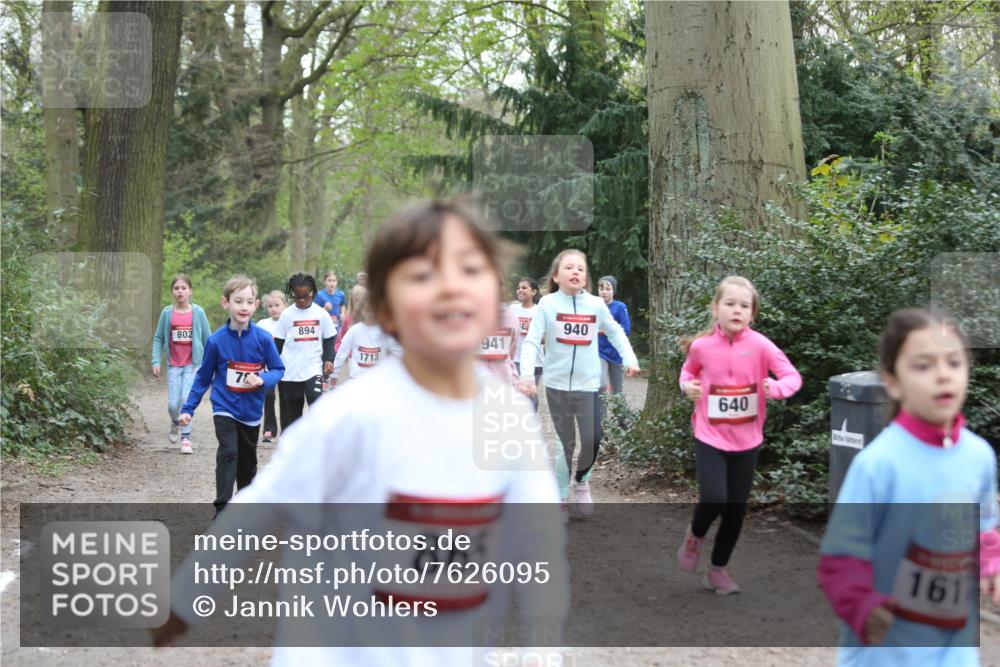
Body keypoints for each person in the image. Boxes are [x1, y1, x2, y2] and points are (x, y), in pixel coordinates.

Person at [155, 198, 568, 666]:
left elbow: (539, 543)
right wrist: (184, 600)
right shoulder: (347, 416)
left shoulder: (508, 417)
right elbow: (256, 507)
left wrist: (542, 645)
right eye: (423, 276)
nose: (450, 287)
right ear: (386, 312)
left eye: (470, 270)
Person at [818, 308, 1000, 666]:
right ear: (893, 382)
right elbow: (840, 558)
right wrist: (864, 608)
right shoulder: (878, 465)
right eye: (923, 365)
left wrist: (992, 564)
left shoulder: (979, 456)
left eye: (954, 362)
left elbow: (983, 527)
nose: (943, 375)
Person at [675, 275, 802, 594]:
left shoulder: (761, 346)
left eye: (744, 306)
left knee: (735, 508)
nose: (737, 310)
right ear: (716, 308)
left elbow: (792, 377)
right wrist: (687, 386)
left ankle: (717, 570)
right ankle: (694, 536)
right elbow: (688, 372)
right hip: (709, 436)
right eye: (730, 304)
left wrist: (775, 388)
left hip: (748, 440)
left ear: (752, 314)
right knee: (715, 497)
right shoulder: (702, 347)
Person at [517, 250, 640, 517]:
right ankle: (560, 495)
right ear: (556, 276)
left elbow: (616, 331)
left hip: (589, 384)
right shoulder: (547, 305)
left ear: (586, 278)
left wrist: (630, 359)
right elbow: (530, 341)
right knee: (565, 443)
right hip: (558, 385)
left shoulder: (596, 305)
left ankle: (582, 482)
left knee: (592, 438)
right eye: (569, 268)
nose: (576, 272)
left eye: (581, 269)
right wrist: (527, 376)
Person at [178, 275, 284, 513]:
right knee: (228, 452)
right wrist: (188, 409)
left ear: (256, 305)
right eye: (238, 301)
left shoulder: (263, 339)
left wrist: (263, 379)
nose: (244, 307)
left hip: (251, 411)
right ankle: (222, 510)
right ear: (226, 303)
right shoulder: (216, 341)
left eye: (249, 302)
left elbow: (278, 369)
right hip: (224, 407)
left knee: (247, 465)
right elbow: (204, 377)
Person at [151, 274, 211, 454]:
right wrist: (156, 360)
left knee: (186, 399)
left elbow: (208, 338)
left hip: (193, 364)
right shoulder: (167, 313)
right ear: (172, 292)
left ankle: (186, 438)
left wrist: (212, 362)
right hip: (174, 364)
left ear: (190, 291)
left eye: (183, 288)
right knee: (172, 405)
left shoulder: (198, 312)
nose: (180, 291)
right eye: (176, 288)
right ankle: (175, 421)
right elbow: (158, 338)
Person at [273, 273, 336, 430]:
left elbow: (329, 338)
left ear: (313, 293)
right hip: (290, 372)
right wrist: (272, 366)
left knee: (316, 399)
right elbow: (278, 343)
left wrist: (329, 359)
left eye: (306, 296)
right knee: (292, 412)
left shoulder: (321, 314)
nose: (301, 300)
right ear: (292, 294)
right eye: (297, 296)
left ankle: (316, 437)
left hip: (313, 368)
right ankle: (291, 443)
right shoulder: (287, 315)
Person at [330, 285, 401, 385]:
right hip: (357, 378)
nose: (370, 313)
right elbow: (342, 352)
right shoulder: (355, 330)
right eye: (367, 309)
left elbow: (399, 351)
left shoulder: (384, 331)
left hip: (378, 379)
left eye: (373, 310)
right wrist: (334, 374)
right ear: (362, 310)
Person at [508, 278, 544, 409]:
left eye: (524, 288)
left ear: (534, 292)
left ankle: (531, 421)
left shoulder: (540, 311)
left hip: (536, 361)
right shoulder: (512, 309)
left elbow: (546, 339)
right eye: (518, 288)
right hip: (515, 359)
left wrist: (532, 333)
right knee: (516, 394)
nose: (520, 290)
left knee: (531, 395)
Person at [256, 290, 286, 442]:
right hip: (269, 368)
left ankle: (288, 429)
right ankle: (269, 429)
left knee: (287, 398)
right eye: (270, 306)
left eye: (277, 305)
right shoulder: (262, 324)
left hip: (288, 366)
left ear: (285, 306)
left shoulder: (289, 322)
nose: (273, 308)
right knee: (268, 396)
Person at [597, 275, 630, 395]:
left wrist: (606, 330)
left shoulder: (620, 307)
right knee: (601, 384)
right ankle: (600, 413)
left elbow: (626, 330)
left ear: (613, 290)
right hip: (599, 352)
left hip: (616, 353)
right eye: (601, 288)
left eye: (608, 288)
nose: (604, 292)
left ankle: (620, 413)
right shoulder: (594, 306)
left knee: (617, 392)